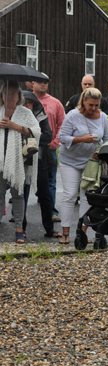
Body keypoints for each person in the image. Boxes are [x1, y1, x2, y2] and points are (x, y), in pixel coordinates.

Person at [57, 87, 108, 245]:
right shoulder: (73, 115)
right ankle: (65, 233)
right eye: (90, 105)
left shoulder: (102, 117)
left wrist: (102, 150)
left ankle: (82, 232)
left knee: (88, 197)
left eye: (96, 105)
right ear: (83, 102)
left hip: (91, 163)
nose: (93, 108)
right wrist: (81, 139)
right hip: (70, 161)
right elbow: (62, 137)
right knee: (70, 195)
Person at [0, 81, 42, 244]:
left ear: (18, 96)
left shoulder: (25, 112)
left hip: (19, 160)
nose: (9, 97)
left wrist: (14, 126)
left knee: (18, 195)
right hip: (0, 160)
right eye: (6, 93)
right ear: (1, 95)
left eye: (12, 94)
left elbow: (36, 132)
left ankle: (19, 229)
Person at [21, 91, 57, 239]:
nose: (27, 105)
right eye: (24, 103)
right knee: (21, 195)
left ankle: (49, 229)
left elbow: (48, 136)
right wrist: (36, 134)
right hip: (21, 161)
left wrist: (27, 135)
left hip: (40, 160)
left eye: (29, 103)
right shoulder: (16, 116)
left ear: (34, 104)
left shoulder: (41, 116)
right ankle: (20, 229)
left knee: (45, 195)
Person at [31, 76, 65, 223]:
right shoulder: (26, 101)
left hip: (48, 148)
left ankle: (52, 211)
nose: (43, 84)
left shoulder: (55, 103)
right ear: (33, 83)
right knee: (23, 181)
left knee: (50, 182)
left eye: (46, 82)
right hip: (28, 147)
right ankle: (17, 214)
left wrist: (55, 142)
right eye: (40, 81)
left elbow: (62, 124)